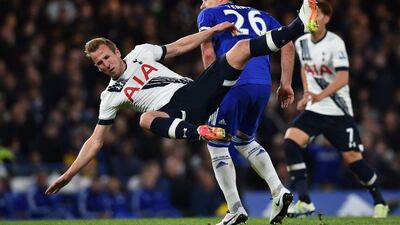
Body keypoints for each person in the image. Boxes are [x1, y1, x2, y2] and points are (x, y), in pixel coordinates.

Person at [45, 0, 318, 196]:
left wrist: (209, 32)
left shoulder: (141, 52)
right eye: (99, 64)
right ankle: (203, 134)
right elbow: (96, 141)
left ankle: (298, 25)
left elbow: (178, 47)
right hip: (177, 113)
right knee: (146, 118)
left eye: (106, 57)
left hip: (195, 91)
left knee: (241, 48)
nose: (105, 64)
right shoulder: (110, 96)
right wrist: (69, 174)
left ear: (116, 52)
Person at [283, 0, 389, 218]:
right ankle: (304, 201)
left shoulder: (335, 43)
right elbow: (305, 69)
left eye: (318, 14)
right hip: (315, 110)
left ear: (327, 18)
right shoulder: (302, 42)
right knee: (290, 140)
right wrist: (306, 94)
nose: (314, 18)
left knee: (354, 160)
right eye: (311, 14)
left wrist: (319, 95)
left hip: (338, 113)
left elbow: (343, 78)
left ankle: (380, 201)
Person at [197, 1, 296, 224]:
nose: (202, 3)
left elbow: (207, 50)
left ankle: (234, 208)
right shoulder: (261, 14)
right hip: (262, 86)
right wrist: (286, 84)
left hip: (233, 82)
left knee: (216, 143)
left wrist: (212, 88)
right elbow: (287, 43)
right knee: (244, 140)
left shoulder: (209, 14)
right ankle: (279, 190)